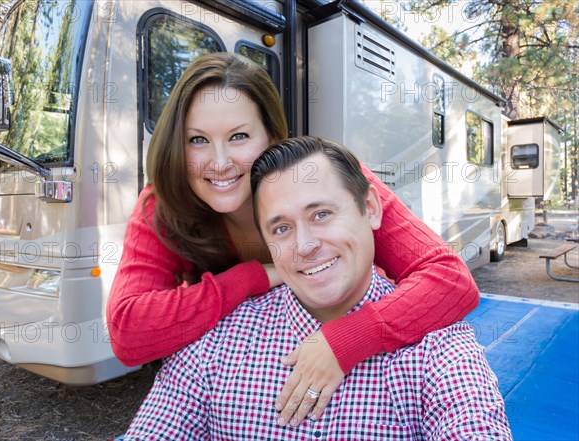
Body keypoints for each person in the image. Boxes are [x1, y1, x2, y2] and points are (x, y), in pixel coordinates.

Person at [107, 52, 479, 425]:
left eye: (238, 136)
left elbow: (451, 278)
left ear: (272, 136)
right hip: (244, 369)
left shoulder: (327, 180)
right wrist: (258, 276)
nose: (219, 163)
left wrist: (348, 339)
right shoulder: (164, 205)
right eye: (198, 140)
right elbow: (128, 333)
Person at [123, 137, 512, 440]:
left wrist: (349, 339)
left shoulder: (439, 349)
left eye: (321, 214)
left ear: (371, 208)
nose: (304, 245)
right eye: (281, 228)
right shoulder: (216, 343)